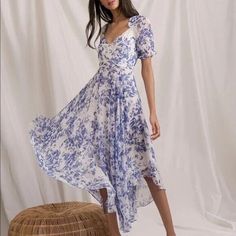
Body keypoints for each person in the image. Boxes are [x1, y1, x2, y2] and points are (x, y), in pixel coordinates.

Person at [28, 0, 176, 235]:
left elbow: (146, 68)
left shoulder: (139, 24)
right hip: (100, 108)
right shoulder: (106, 28)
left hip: (127, 105)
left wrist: (153, 111)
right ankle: (112, 231)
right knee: (102, 169)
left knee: (147, 166)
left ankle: (171, 232)